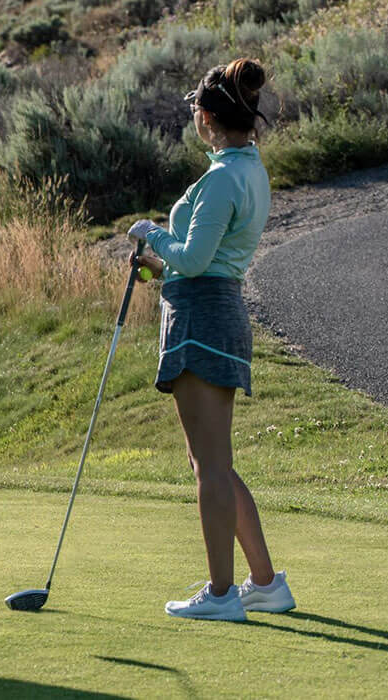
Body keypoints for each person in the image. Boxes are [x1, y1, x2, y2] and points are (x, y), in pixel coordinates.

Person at [126, 58, 296, 622]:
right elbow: (200, 257)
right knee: (216, 462)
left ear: (205, 117)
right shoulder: (245, 169)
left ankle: (222, 594)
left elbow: (196, 259)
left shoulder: (223, 178)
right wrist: (160, 260)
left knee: (209, 465)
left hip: (202, 316)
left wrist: (151, 236)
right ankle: (266, 585)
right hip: (215, 309)